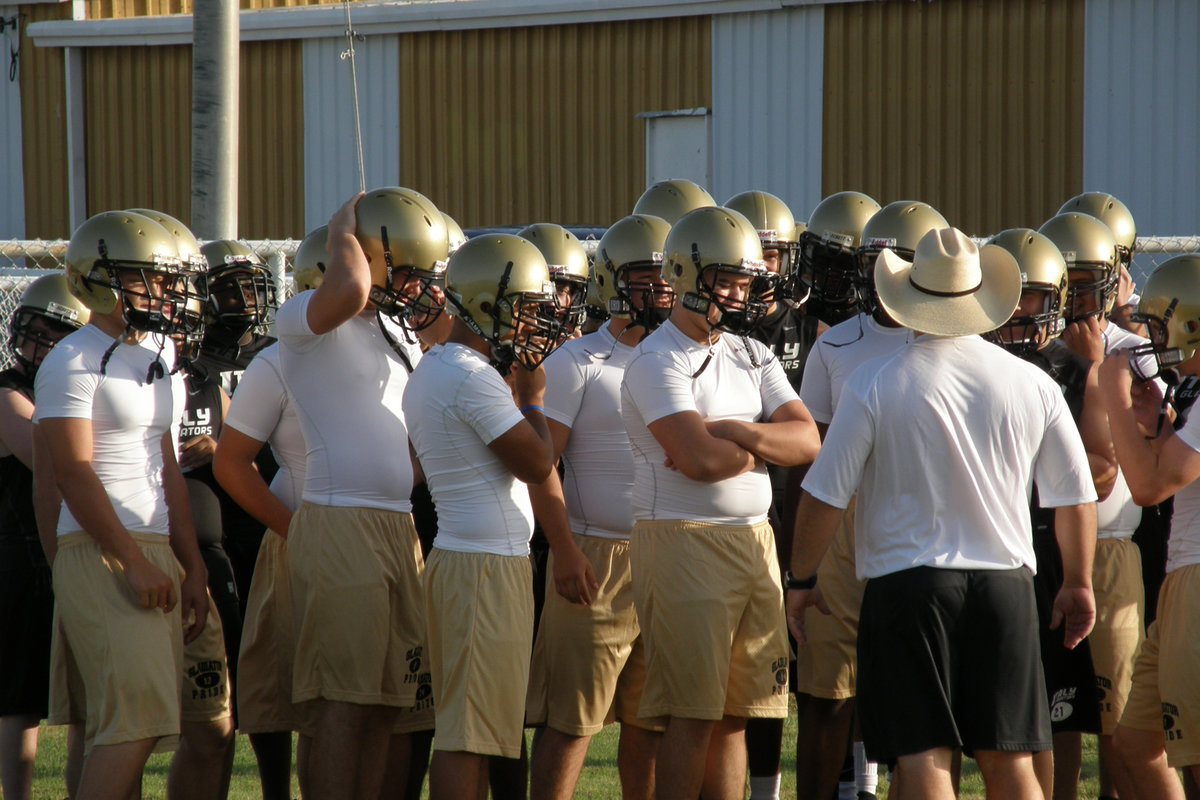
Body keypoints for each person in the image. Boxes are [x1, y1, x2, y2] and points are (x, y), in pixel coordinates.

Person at [789, 227, 1098, 800]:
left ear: (908, 301)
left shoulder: (872, 383)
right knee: (1012, 763)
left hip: (908, 589)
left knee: (925, 760)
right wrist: (1078, 583)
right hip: (1006, 586)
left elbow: (825, 494)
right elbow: (1075, 496)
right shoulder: (1033, 383)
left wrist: (801, 580)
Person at [620, 206, 820, 799]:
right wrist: (762, 443)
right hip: (682, 538)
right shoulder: (657, 358)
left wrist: (732, 432)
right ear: (686, 274)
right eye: (727, 280)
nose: (740, 294)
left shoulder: (751, 353)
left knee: (738, 715)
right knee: (693, 714)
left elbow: (807, 440)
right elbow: (699, 464)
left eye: (746, 281)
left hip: (753, 538)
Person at [32, 210, 229, 800]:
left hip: (157, 545)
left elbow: (165, 469)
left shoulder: (157, 354)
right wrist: (130, 560)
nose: (166, 293)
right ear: (101, 277)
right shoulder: (72, 358)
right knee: (130, 730)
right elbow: (72, 470)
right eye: (150, 279)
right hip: (102, 547)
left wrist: (190, 564)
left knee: (203, 725)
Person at [403, 232, 592, 800]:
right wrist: (532, 396)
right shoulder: (469, 374)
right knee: (468, 736)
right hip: (482, 568)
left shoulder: (444, 364)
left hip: (477, 561)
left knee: (481, 732)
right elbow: (538, 462)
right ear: (488, 303)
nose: (535, 325)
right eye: (527, 310)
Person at [275, 188, 446, 800]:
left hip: (396, 524)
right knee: (345, 703)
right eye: (408, 268)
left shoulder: (395, 330)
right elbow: (348, 291)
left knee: (385, 703)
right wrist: (344, 226)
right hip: (339, 520)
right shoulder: (301, 319)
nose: (421, 285)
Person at [793, 199, 947, 800]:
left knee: (910, 691)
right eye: (873, 260)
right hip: (845, 515)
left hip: (919, 516)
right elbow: (817, 449)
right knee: (827, 695)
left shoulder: (951, 339)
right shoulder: (835, 345)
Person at [526, 213, 674, 800]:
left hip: (668, 554)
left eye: (669, 277)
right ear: (614, 279)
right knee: (572, 721)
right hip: (596, 553)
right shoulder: (576, 361)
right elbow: (541, 466)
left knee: (652, 722)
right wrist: (564, 550)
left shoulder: (684, 357)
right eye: (646, 277)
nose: (660, 290)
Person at [987, 227, 1119, 800]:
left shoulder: (1069, 366)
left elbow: (1101, 469)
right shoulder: (975, 357)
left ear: (1055, 299)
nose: (1019, 309)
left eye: (1032, 295)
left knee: (1058, 702)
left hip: (1048, 540)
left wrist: (1092, 374)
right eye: (1009, 293)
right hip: (991, 539)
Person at [724, 188, 826, 800]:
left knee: (795, 663)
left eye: (775, 253)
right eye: (754, 253)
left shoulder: (812, 326)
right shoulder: (716, 328)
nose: (763, 268)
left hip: (802, 495)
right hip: (749, 499)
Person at [1101, 254, 1200, 799]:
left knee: (1196, 754)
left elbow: (1148, 488)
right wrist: (1149, 421)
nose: (1153, 338)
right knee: (1136, 744)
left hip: (1196, 582)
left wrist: (1113, 392)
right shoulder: (1192, 389)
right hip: (1181, 580)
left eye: (1160, 325)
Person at [0, 274, 88, 800]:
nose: (40, 346)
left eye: (54, 336)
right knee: (20, 697)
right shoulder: (9, 391)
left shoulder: (78, 388)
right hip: (21, 555)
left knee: (87, 697)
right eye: (34, 332)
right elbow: (45, 456)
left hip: (75, 549)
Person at [795, 191, 882, 326]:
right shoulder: (794, 312)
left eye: (844, 262)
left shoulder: (876, 322)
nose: (830, 270)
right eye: (823, 259)